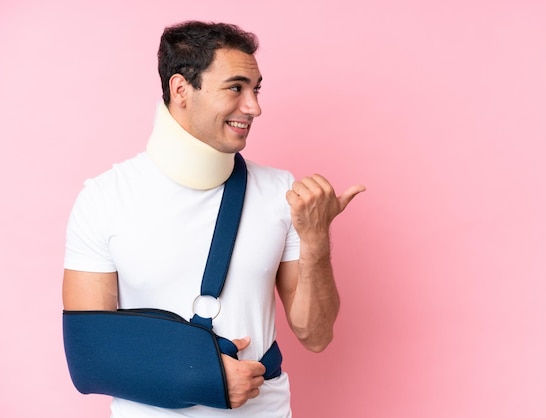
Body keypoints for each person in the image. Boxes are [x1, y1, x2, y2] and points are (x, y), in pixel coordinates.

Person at [62, 20, 365, 417]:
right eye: (235, 88)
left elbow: (317, 335)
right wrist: (202, 375)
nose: (254, 106)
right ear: (181, 90)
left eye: (255, 90)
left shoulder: (281, 192)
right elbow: (91, 355)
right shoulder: (104, 198)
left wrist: (316, 239)